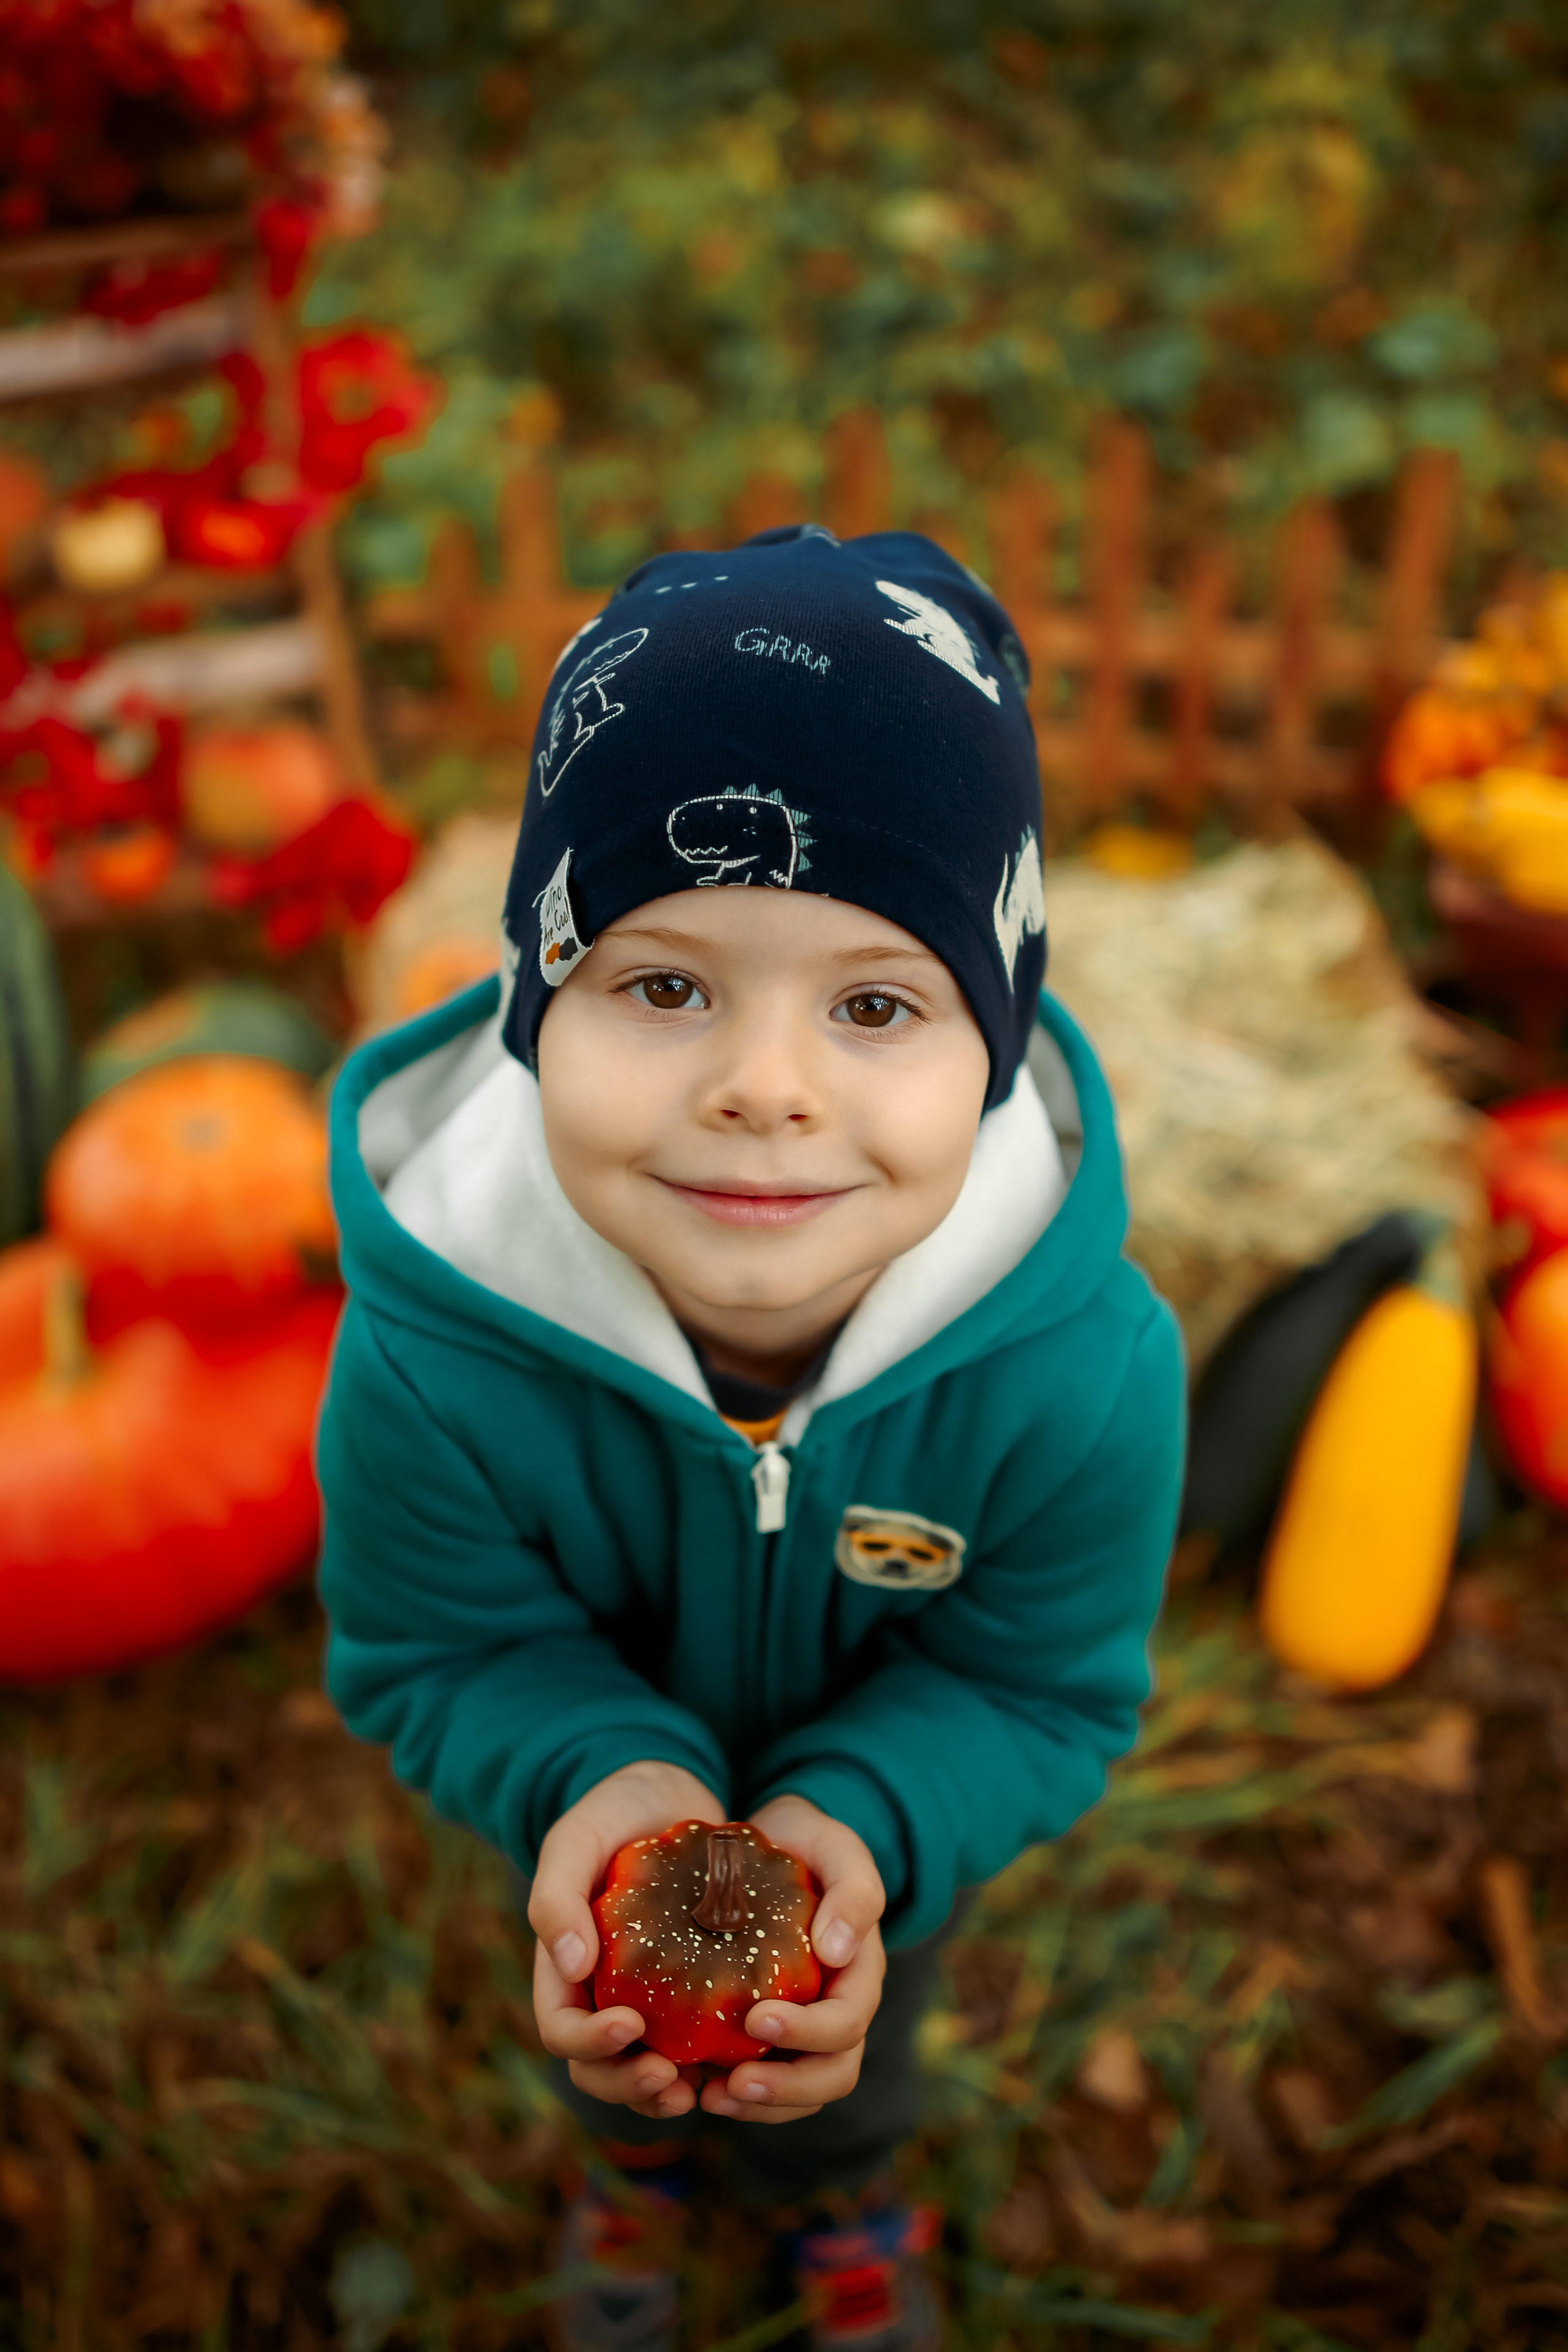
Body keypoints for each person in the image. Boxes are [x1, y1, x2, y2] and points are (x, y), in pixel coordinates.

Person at [317, 526, 1185, 2351]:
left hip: (879, 1861)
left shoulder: (1083, 1374)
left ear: (993, 1039)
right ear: (536, 1005)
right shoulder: (429, 1354)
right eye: (664, 987)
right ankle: (626, 2171)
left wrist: (865, 1826)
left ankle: (844, 2190)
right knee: (603, 2028)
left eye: (875, 1004)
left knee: (859, 2037)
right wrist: (594, 1775)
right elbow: (440, 1651)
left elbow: (1036, 1689)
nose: (763, 1087)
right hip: (587, 1852)